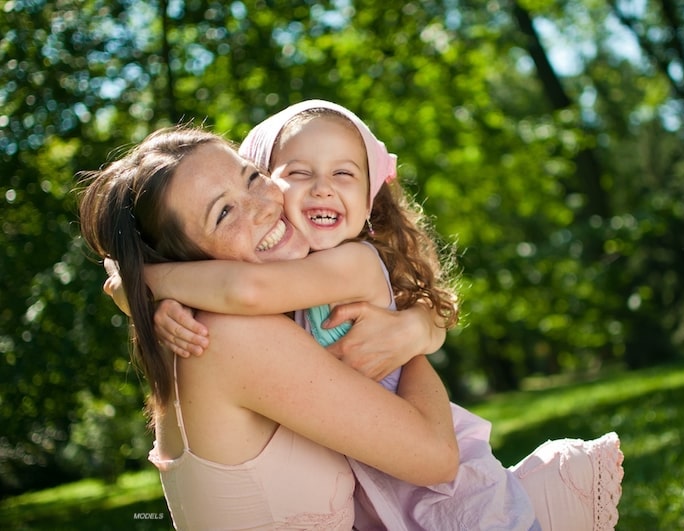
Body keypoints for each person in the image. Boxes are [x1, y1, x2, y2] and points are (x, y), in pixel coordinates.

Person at [145, 100, 624, 530]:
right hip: (385, 487)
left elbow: (245, 289)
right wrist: (170, 305)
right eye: (299, 173)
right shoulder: (280, 291)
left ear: (370, 197)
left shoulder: (350, 262)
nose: (323, 189)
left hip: (447, 491)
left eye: (344, 174)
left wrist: (143, 281)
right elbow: (236, 289)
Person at [78, 126, 461, 530]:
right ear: (184, 260)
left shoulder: (264, 315)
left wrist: (419, 323)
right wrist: (413, 345)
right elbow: (436, 457)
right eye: (224, 213)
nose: (263, 206)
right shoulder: (227, 336)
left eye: (252, 177)